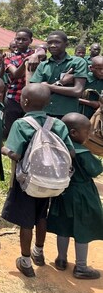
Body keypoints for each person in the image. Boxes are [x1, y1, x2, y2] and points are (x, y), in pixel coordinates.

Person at [1, 83, 75, 278]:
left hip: (27, 181)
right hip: (51, 182)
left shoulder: (21, 124)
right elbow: (72, 152)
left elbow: (16, 154)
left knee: (26, 221)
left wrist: (5, 150)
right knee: (42, 215)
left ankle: (25, 261)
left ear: (24, 101)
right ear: (48, 103)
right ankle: (39, 252)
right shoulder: (57, 124)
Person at [47, 113, 103, 279]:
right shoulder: (82, 152)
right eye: (87, 131)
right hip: (82, 195)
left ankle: (61, 259)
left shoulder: (58, 146)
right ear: (73, 133)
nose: (89, 135)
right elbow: (95, 170)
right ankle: (81, 267)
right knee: (82, 229)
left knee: (63, 228)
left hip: (63, 192)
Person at [29, 31, 88, 118]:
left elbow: (77, 91)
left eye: (57, 42)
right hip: (44, 113)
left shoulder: (77, 62)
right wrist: (60, 83)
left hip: (67, 114)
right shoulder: (43, 65)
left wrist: (48, 86)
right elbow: (35, 91)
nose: (52, 45)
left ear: (66, 44)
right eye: (49, 43)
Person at [3, 28, 37, 136]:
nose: (20, 42)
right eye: (18, 39)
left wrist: (36, 55)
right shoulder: (9, 57)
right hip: (14, 96)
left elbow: (42, 50)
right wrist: (26, 61)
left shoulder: (36, 54)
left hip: (32, 97)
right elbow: (16, 74)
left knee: (29, 127)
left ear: (30, 41)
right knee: (11, 128)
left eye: (24, 39)